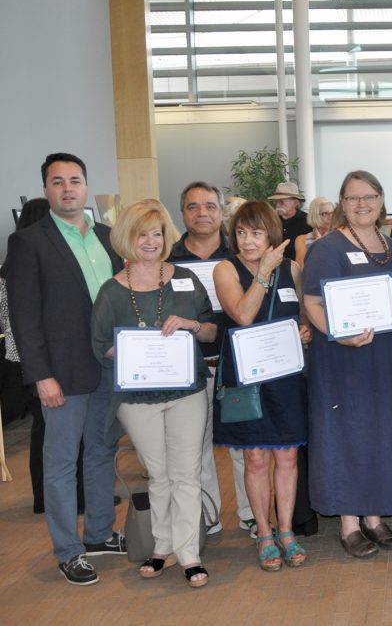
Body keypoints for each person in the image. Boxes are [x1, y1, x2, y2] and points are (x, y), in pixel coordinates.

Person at [5, 153, 126, 586]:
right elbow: (24, 316)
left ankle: (98, 533)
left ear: (87, 186)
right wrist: (40, 375)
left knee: (102, 454)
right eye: (58, 182)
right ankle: (68, 550)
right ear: (46, 190)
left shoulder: (110, 239)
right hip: (61, 373)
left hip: (109, 369)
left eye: (75, 180)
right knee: (59, 463)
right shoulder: (29, 242)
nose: (68, 188)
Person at [91, 199, 217, 588]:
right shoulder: (111, 290)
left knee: (186, 473)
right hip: (137, 399)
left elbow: (212, 331)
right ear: (128, 237)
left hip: (187, 392)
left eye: (157, 233)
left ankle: (190, 553)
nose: (151, 241)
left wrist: (191, 326)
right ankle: (162, 546)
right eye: (143, 233)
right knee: (159, 474)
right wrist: (137, 349)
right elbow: (100, 346)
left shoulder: (185, 278)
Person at [303, 171, 392, 559]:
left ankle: (374, 517)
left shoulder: (391, 246)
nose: (362, 204)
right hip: (343, 358)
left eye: (369, 196)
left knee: (379, 434)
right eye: (353, 198)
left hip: (387, 359)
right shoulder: (327, 247)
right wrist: (339, 334)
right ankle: (349, 523)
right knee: (347, 434)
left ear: (381, 199)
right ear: (341, 202)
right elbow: (311, 303)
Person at [213, 201, 313, 571]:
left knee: (286, 456)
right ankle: (265, 532)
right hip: (245, 376)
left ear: (271, 233)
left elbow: (303, 313)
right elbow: (242, 314)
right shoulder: (226, 269)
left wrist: (306, 330)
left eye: (256, 233)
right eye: (241, 232)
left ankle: (287, 531)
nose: (248, 241)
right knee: (256, 458)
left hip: (286, 375)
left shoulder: (294, 269)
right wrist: (263, 273)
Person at [168, 182, 253, 537]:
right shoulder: (167, 261)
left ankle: (251, 513)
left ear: (221, 212)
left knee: (242, 443)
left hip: (237, 363)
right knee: (196, 443)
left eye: (209, 206)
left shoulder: (243, 256)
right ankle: (208, 515)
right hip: (192, 367)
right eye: (192, 206)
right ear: (182, 213)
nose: (201, 213)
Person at [2, 197, 72, 516]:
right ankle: (45, 497)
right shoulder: (22, 267)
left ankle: (45, 497)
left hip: (23, 361)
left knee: (43, 430)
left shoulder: (12, 266)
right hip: (34, 362)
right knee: (45, 431)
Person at [267, 181, 311, 261]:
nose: (277, 205)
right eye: (276, 202)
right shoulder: (271, 221)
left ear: (295, 203)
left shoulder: (308, 222)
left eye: (281, 202)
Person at [294, 196, 335, 266]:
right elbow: (301, 269)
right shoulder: (302, 240)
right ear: (314, 215)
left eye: (333, 213)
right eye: (325, 214)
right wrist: (318, 244)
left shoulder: (340, 236)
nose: (330, 217)